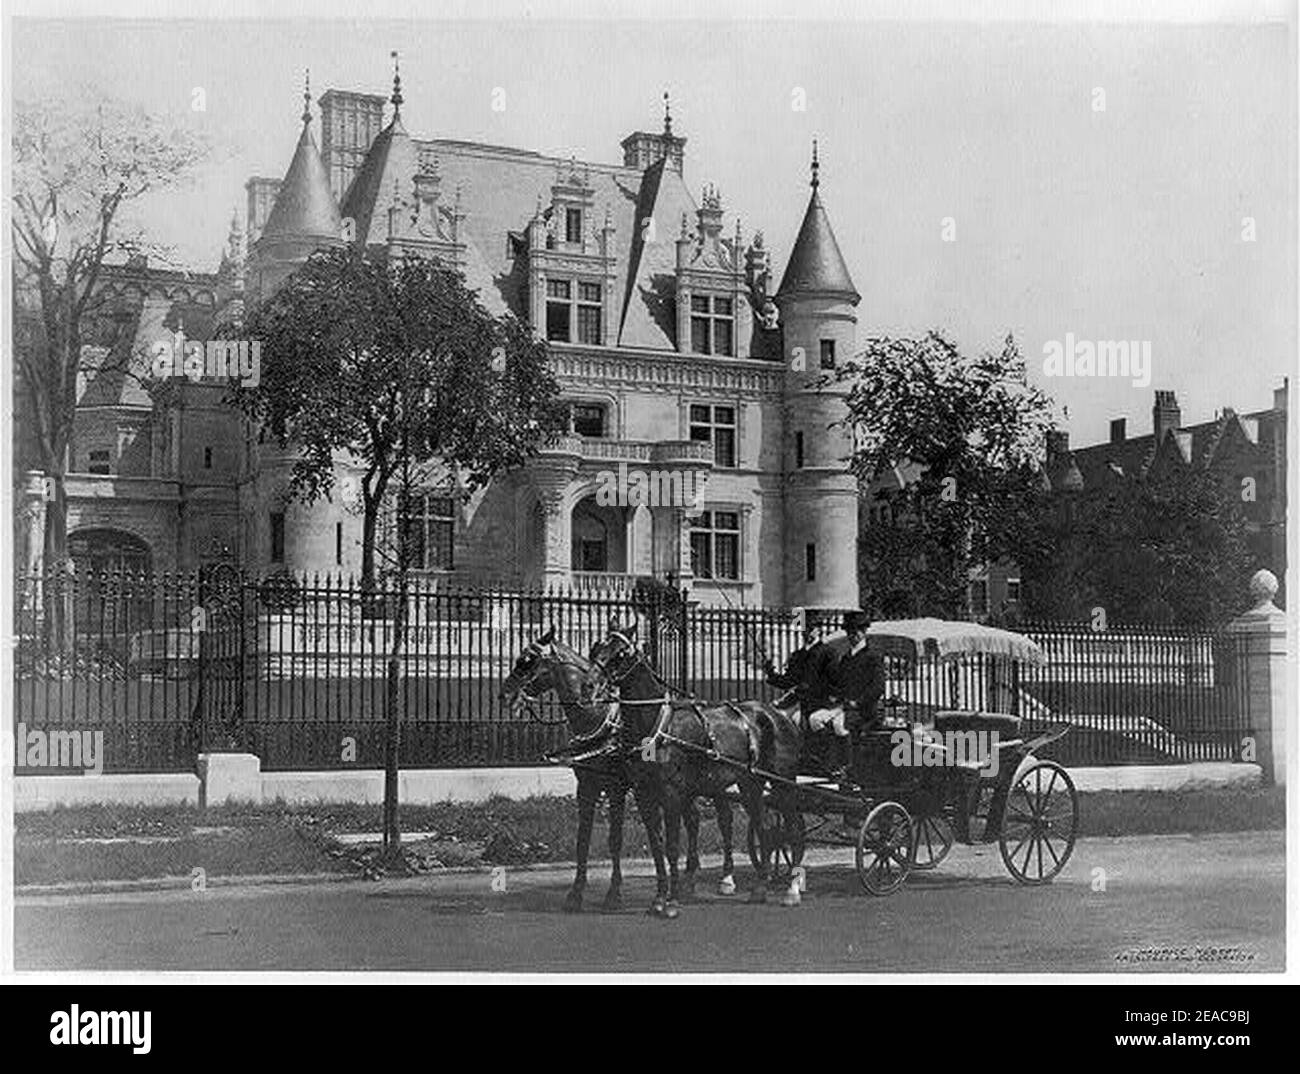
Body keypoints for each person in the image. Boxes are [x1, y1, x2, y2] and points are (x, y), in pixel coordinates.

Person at [806, 610, 885, 781]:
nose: (852, 635)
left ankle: (848, 767)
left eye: (856, 631)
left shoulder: (873, 657)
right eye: (849, 631)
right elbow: (838, 684)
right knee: (815, 719)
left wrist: (859, 702)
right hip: (844, 707)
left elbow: (878, 687)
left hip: (864, 711)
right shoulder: (846, 659)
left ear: (864, 632)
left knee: (839, 724)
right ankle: (828, 762)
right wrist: (833, 696)